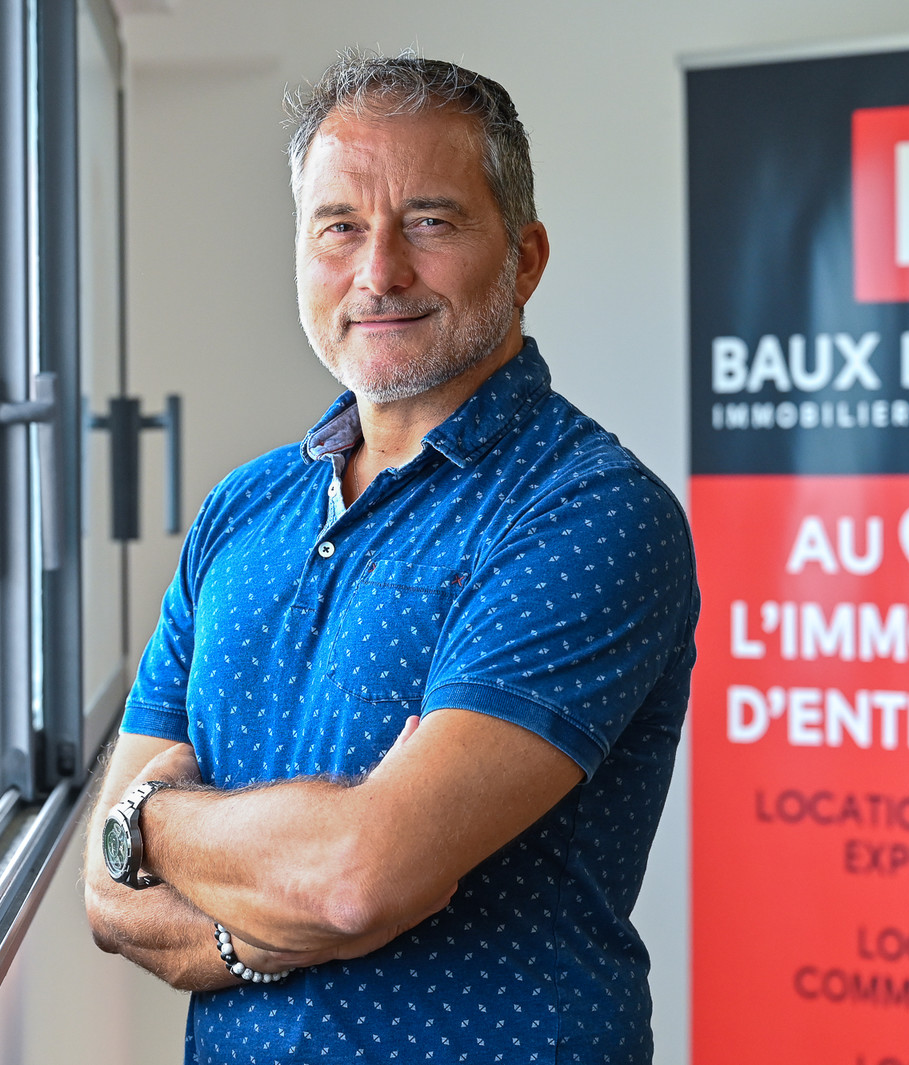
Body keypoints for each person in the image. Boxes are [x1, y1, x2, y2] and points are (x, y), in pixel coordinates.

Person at [84, 50, 699, 1064]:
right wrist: (258, 905)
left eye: (430, 221)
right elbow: (111, 901)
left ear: (525, 257)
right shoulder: (242, 511)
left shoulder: (587, 514)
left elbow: (354, 880)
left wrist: (153, 819)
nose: (378, 273)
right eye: (339, 227)